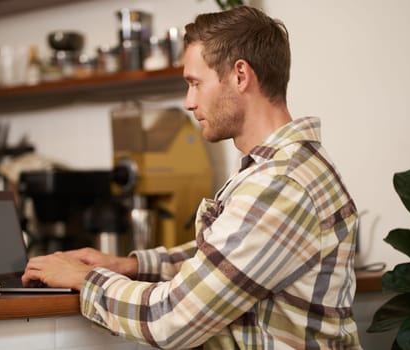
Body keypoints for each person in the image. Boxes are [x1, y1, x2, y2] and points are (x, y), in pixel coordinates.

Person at [22, 5, 361, 349]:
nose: (188, 101)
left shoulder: (279, 183)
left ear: (240, 76)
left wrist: (86, 279)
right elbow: (223, 261)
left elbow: (171, 319)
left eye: (195, 83)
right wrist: (130, 265)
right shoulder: (283, 167)